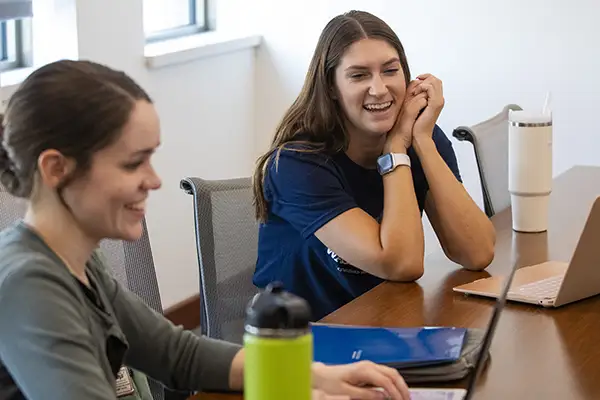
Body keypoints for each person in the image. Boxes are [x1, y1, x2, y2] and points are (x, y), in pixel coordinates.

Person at [0, 60, 410, 400]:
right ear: (56, 169)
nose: (154, 180)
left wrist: (311, 376)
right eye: (132, 163)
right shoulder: (27, 284)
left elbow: (177, 356)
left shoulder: (77, 262)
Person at [252, 10, 496, 320]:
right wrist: (395, 149)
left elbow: (477, 251)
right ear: (330, 87)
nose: (379, 88)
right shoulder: (297, 165)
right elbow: (401, 264)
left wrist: (421, 140)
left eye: (390, 70)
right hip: (307, 341)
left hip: (383, 318)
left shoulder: (421, 137)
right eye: (359, 75)